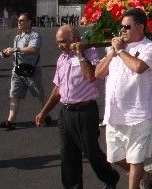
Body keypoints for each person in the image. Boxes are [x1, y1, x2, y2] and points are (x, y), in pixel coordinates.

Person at [35, 25, 120, 189]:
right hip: (66, 113)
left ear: (75, 39)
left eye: (64, 42)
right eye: (58, 42)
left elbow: (91, 77)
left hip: (85, 111)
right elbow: (58, 89)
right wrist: (44, 111)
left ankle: (110, 178)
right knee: (68, 155)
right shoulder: (62, 59)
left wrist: (79, 53)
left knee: (91, 152)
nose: (60, 46)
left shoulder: (90, 52)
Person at [95, 8, 152, 189]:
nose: (122, 30)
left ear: (140, 28)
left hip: (139, 114)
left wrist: (121, 52)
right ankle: (146, 176)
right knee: (115, 157)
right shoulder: (114, 50)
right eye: (121, 27)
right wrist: (113, 52)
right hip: (114, 115)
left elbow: (139, 67)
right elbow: (98, 73)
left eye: (127, 26)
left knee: (135, 159)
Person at [0, 13, 46, 131]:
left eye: (22, 21)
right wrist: (7, 53)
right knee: (14, 95)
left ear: (29, 22)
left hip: (31, 70)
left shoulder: (34, 35)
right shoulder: (17, 37)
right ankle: (10, 121)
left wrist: (15, 49)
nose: (19, 22)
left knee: (40, 95)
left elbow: (33, 49)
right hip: (17, 70)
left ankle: (45, 114)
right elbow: (16, 53)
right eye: (18, 21)